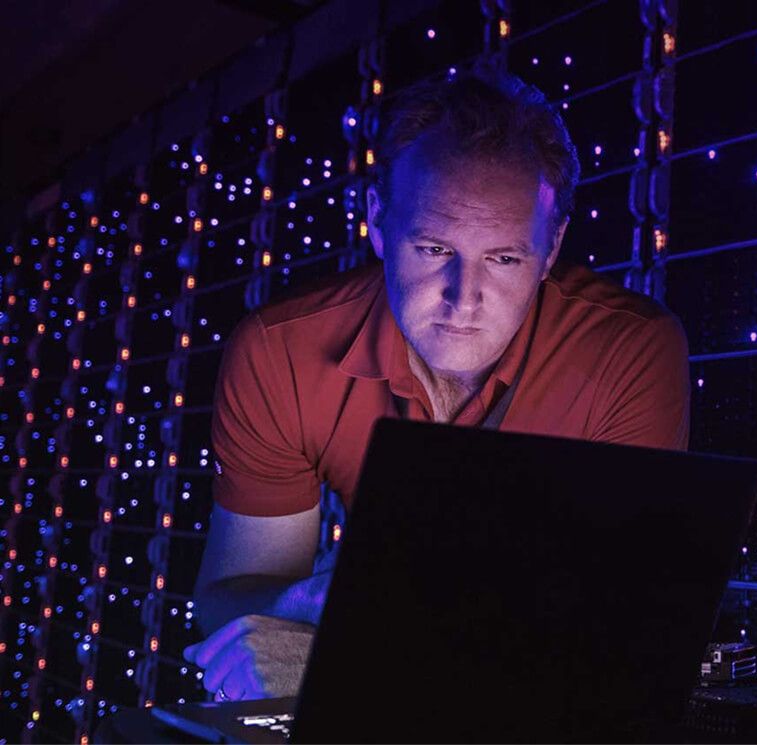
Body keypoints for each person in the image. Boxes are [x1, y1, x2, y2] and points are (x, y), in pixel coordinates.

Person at [182, 65, 691, 702]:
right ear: (376, 219)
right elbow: (234, 593)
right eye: (433, 249)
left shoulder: (629, 350)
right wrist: (311, 603)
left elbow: (622, 632)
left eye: (504, 258)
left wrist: (354, 647)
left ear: (553, 243)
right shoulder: (279, 351)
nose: (464, 299)